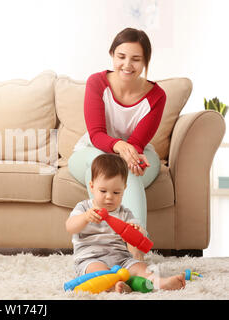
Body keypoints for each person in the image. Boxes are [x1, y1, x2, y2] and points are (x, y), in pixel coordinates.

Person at [68, 27, 167, 234]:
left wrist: (134, 157)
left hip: (136, 150)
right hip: (92, 151)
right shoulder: (97, 82)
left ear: (146, 61)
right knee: (102, 165)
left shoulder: (157, 96)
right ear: (112, 55)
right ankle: (127, 241)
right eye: (121, 56)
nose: (127, 65)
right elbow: (96, 134)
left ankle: (135, 240)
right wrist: (120, 146)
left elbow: (138, 142)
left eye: (136, 59)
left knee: (126, 171)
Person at [65, 154, 185, 293]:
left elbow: (141, 236)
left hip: (121, 259)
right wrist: (85, 217)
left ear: (124, 189)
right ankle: (116, 285)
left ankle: (160, 283)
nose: (109, 197)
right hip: (91, 258)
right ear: (92, 186)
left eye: (116, 192)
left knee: (140, 267)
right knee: (98, 273)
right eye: (103, 191)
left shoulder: (125, 212)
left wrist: (136, 231)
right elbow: (70, 227)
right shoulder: (84, 208)